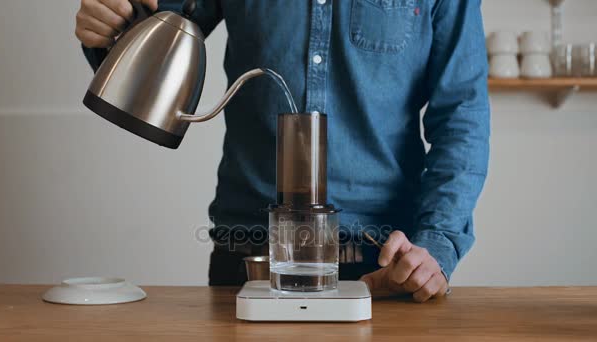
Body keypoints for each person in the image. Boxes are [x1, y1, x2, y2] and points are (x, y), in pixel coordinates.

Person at [76, 0, 490, 303]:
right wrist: (111, 25)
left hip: (383, 266)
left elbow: (462, 115)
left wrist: (434, 246)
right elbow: (152, 24)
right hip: (249, 258)